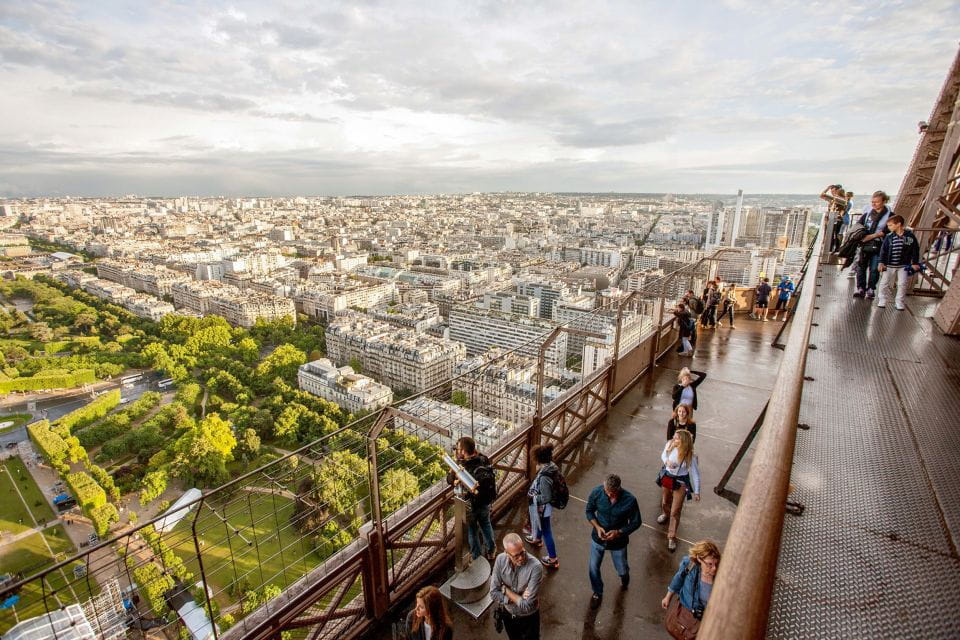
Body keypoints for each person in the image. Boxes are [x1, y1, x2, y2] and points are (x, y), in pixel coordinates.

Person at [585, 474, 642, 609]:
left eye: (613, 493)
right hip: (598, 538)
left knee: (622, 568)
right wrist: (597, 527)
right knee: (593, 567)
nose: (609, 495)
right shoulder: (597, 492)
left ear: (619, 489)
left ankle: (624, 577)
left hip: (618, 542)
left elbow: (636, 522)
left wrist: (619, 532)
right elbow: (589, 511)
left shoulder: (630, 500)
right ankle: (597, 591)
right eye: (607, 492)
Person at [445, 436, 495, 561]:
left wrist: (454, 473)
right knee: (486, 524)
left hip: (470, 504)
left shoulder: (461, 466)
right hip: (484, 501)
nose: (456, 451)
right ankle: (491, 550)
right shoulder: (483, 458)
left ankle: (477, 558)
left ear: (463, 451)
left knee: (472, 530)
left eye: (458, 449)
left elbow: (449, 480)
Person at [661, 540, 722, 640]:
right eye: (709, 564)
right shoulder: (690, 565)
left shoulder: (721, 575)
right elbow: (678, 579)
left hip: (706, 618)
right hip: (685, 611)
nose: (714, 568)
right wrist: (668, 597)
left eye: (716, 564)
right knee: (681, 633)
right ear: (699, 559)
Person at [490, 532, 543, 640]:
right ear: (507, 553)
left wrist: (506, 590)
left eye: (522, 552)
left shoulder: (535, 567)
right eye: (516, 556)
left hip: (529, 617)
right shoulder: (500, 560)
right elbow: (493, 593)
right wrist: (518, 598)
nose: (521, 558)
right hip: (508, 615)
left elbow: (527, 605)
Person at [656, 430, 701, 551]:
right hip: (667, 479)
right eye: (674, 437)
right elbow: (663, 455)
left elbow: (696, 475)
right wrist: (667, 462)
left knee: (675, 510)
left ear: (683, 441)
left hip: (680, 484)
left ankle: (671, 536)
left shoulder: (690, 455)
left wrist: (696, 491)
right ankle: (665, 514)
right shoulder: (670, 444)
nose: (673, 440)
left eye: (676, 438)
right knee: (665, 501)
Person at [525, 444, 559, 569]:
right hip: (547, 507)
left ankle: (553, 558)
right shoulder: (552, 466)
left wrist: (533, 498)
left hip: (543, 507)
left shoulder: (545, 476)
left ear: (538, 459)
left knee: (546, 530)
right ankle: (536, 539)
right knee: (541, 525)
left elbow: (546, 497)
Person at [854, 191, 893, 299]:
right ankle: (861, 288)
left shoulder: (890, 215)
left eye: (876, 202)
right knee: (861, 266)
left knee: (874, 268)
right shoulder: (867, 214)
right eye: (872, 202)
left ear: (884, 202)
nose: (874, 204)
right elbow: (859, 225)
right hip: (865, 244)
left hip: (879, 245)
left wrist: (871, 236)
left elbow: (888, 230)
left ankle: (871, 288)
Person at [877, 214, 921, 311]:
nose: (889, 227)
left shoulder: (910, 236)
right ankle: (882, 299)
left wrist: (915, 262)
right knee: (884, 282)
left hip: (903, 265)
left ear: (898, 224)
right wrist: (881, 262)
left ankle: (899, 302)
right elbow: (883, 250)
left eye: (890, 225)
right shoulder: (889, 237)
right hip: (889, 264)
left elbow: (915, 250)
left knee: (902, 283)